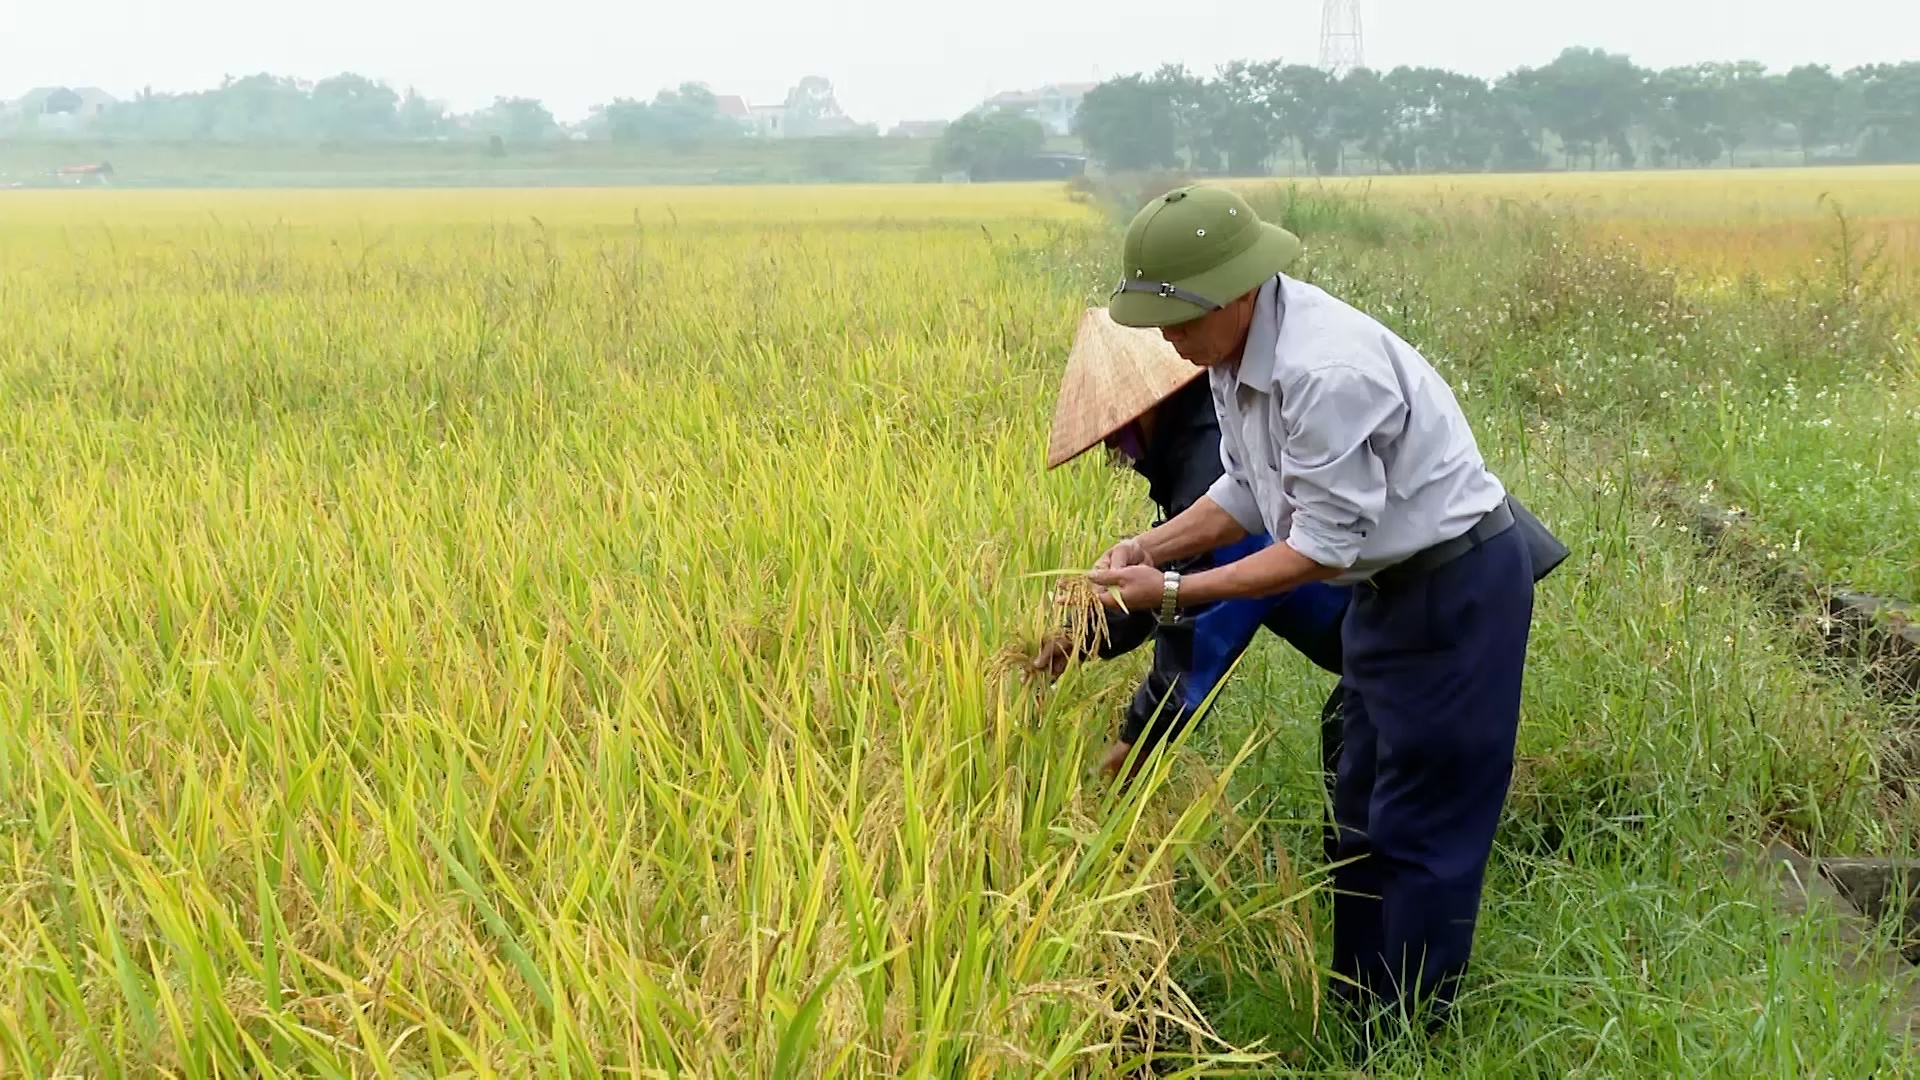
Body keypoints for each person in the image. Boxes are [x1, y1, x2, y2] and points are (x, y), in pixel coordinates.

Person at [1084, 185, 1564, 1033]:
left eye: (1177, 320)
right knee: (1361, 811)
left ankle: (1410, 1037)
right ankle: (1358, 1016)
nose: (1166, 341)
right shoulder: (1230, 362)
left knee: (1420, 827)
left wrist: (1174, 592)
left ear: (1235, 293)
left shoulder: (1321, 370)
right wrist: (1146, 547)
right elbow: (1246, 490)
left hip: (1454, 586)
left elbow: (1318, 549)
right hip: (1383, 590)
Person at [1031, 308, 1354, 860]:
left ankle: (1367, 899)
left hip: (1424, 608)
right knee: (1354, 739)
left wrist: (1136, 742)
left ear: (1151, 406)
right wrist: (1080, 633)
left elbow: (1202, 620)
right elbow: (1171, 577)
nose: (1119, 456)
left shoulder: (1212, 452)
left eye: (1119, 436)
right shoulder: (1209, 436)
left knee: (1364, 763)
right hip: (1380, 623)